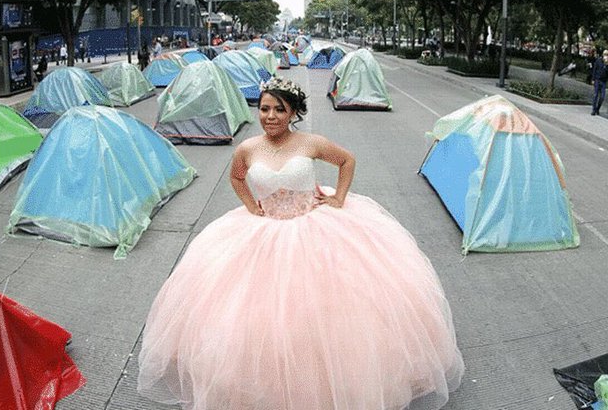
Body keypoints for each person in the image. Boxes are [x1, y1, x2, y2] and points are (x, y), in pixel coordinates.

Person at [137, 76, 464, 409]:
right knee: (257, 318)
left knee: (329, 314)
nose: (271, 116)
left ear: (292, 112)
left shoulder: (310, 142)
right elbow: (237, 177)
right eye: (265, 109)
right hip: (264, 233)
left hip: (317, 229)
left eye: (280, 109)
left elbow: (347, 160)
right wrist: (252, 206)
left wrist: (338, 199)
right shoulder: (247, 149)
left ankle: (334, 384)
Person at [591, 50, 608, 116]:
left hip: (603, 82)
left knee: (602, 97)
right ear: (603, 54)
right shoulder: (598, 61)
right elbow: (594, 69)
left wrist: (606, 65)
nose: (606, 56)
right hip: (597, 80)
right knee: (595, 95)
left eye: (607, 54)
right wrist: (593, 79)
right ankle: (593, 110)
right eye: (605, 54)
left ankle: (598, 108)